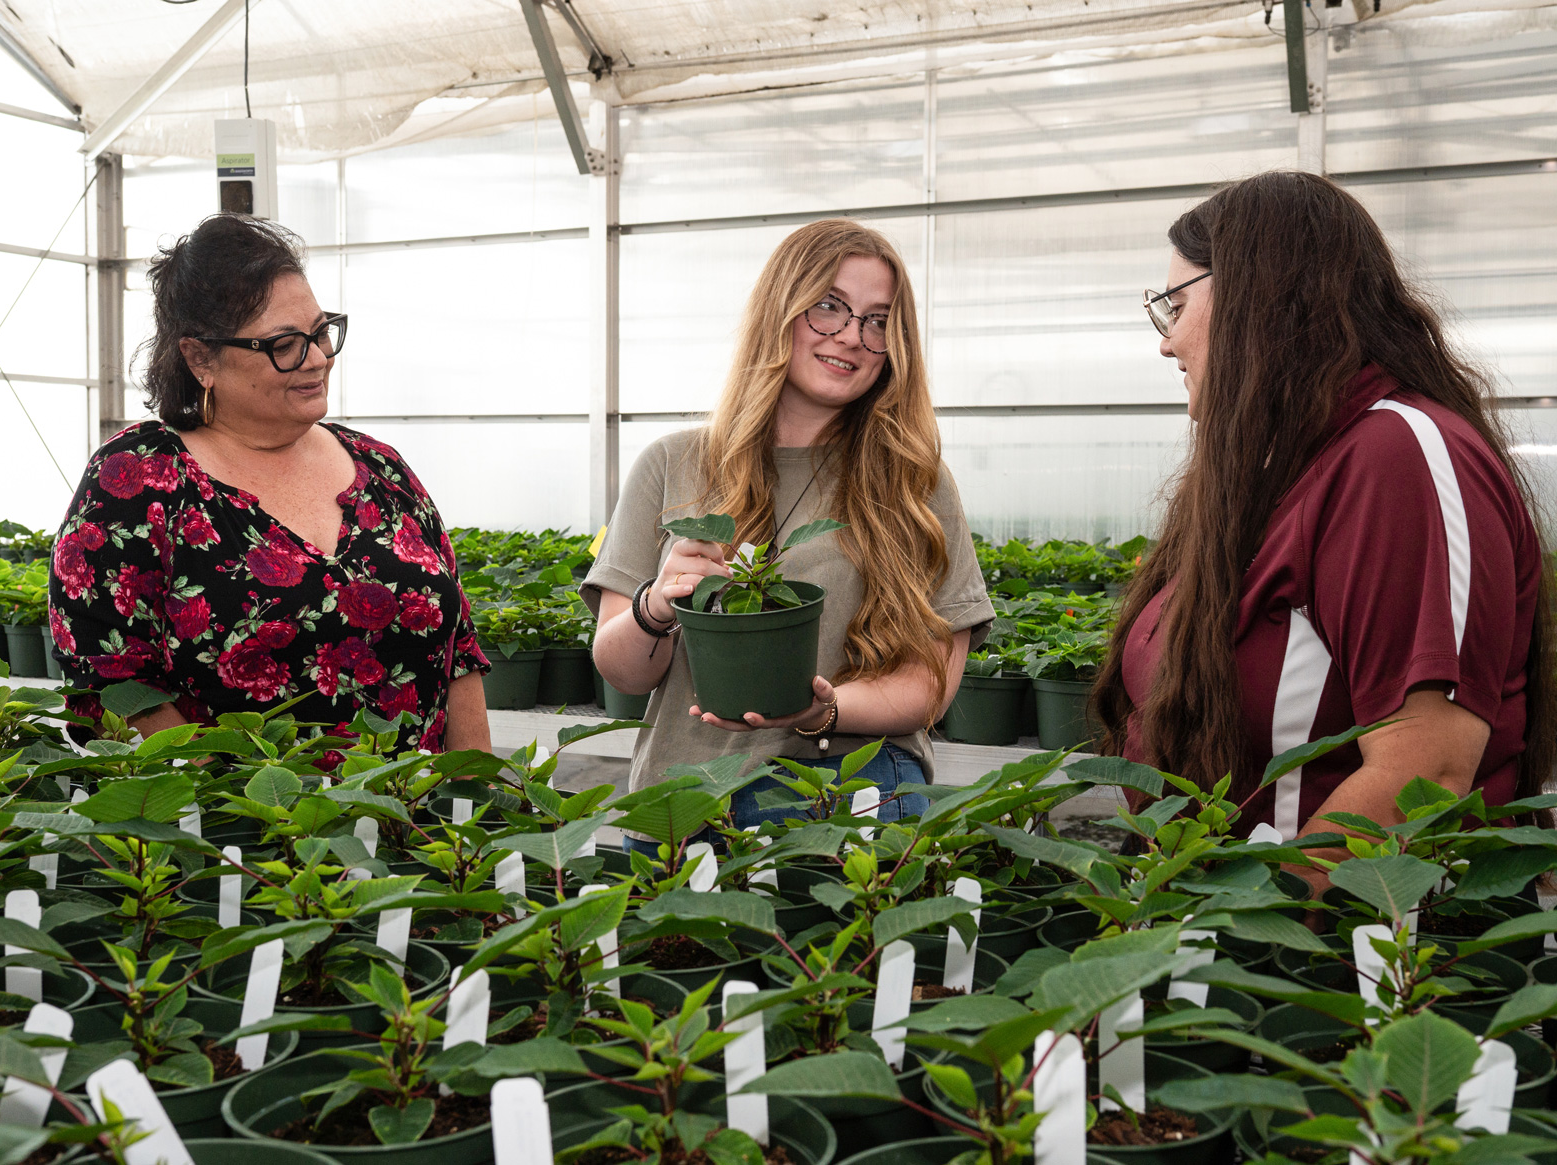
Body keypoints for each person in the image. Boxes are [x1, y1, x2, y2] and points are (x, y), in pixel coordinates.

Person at [1093, 171, 1554, 880]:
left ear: (1258, 296)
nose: (1167, 341)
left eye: (1175, 305)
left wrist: (1253, 921)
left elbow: (1421, 768)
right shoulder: (1283, 465)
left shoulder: (1397, 456)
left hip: (1344, 957)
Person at [583, 219, 994, 844]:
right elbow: (624, 672)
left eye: (877, 320)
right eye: (829, 307)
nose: (852, 337)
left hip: (844, 795)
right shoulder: (675, 463)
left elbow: (928, 682)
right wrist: (657, 605)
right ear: (781, 309)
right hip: (682, 805)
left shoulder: (912, 482)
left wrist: (823, 710)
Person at [48, 214, 493, 753]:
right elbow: (109, 682)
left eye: (321, 332)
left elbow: (459, 654)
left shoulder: (380, 467)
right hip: (240, 828)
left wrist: (476, 801)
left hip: (413, 825)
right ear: (199, 357)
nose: (318, 358)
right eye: (284, 344)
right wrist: (252, 804)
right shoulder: (137, 478)